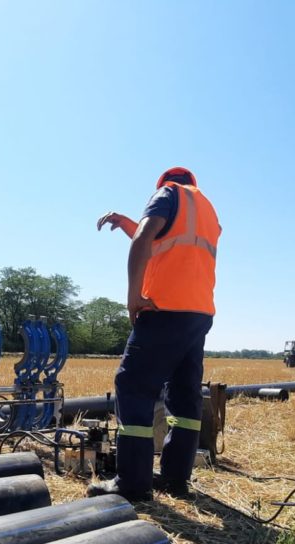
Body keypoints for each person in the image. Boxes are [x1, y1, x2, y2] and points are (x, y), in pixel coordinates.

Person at [88, 166, 221, 502]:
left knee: (132, 385)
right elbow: (169, 245)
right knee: (184, 395)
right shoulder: (205, 208)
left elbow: (145, 239)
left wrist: (133, 296)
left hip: (163, 310)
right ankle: (176, 479)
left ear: (164, 184)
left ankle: (133, 482)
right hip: (198, 313)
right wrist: (127, 225)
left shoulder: (168, 194)